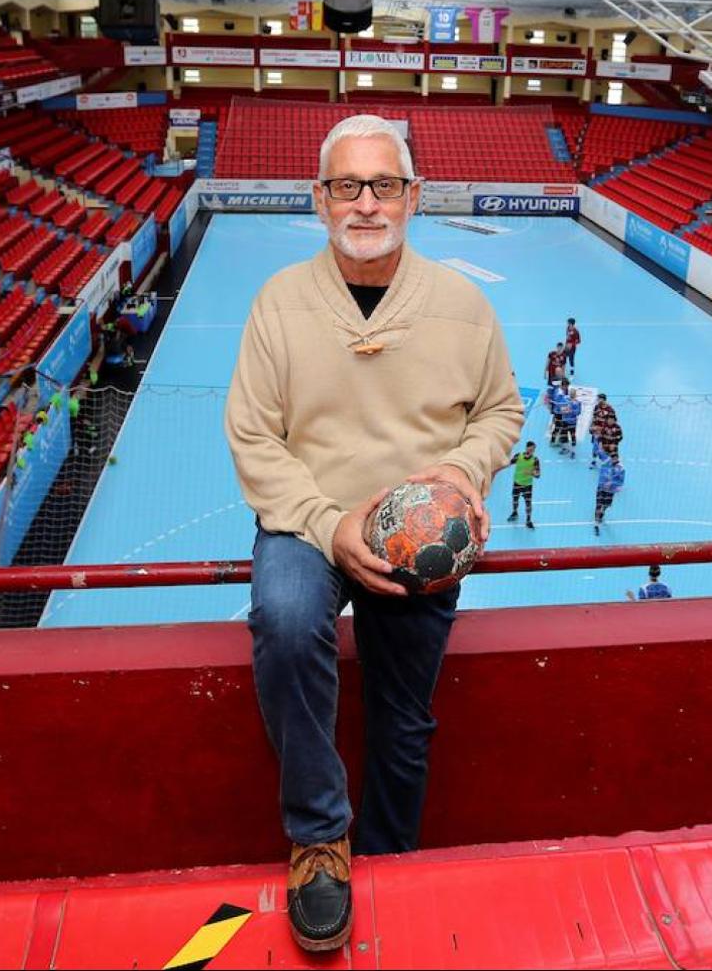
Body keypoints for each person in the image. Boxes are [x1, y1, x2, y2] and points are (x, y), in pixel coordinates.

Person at [225, 114, 524, 953]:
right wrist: (328, 522)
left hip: (415, 536)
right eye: (348, 187)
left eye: (384, 185)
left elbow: (501, 411)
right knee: (284, 622)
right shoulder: (279, 303)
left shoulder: (463, 306)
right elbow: (254, 437)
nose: (366, 204)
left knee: (404, 716)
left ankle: (392, 854)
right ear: (320, 200)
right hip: (307, 516)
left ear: (414, 197)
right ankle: (321, 837)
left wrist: (464, 472)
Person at [506, 441, 541, 528]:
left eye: (533, 449)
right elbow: (508, 463)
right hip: (517, 483)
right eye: (531, 448)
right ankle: (515, 512)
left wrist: (531, 472)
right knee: (515, 500)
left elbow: (538, 475)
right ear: (526, 448)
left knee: (528, 503)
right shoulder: (518, 456)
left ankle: (528, 520)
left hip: (527, 485)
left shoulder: (535, 460)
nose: (532, 450)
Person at [593, 446, 624, 536]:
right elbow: (598, 451)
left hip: (610, 490)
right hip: (601, 487)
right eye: (612, 457)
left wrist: (613, 484)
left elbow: (621, 480)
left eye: (615, 458)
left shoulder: (620, 469)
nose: (613, 459)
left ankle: (601, 513)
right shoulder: (605, 463)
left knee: (606, 505)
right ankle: (596, 524)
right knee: (599, 505)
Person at [548, 380, 580, 458]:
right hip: (559, 413)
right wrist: (565, 409)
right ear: (563, 385)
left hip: (565, 417)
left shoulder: (562, 393)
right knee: (558, 427)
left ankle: (562, 443)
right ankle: (553, 441)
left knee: (564, 430)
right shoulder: (560, 394)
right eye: (567, 386)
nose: (567, 388)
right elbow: (559, 404)